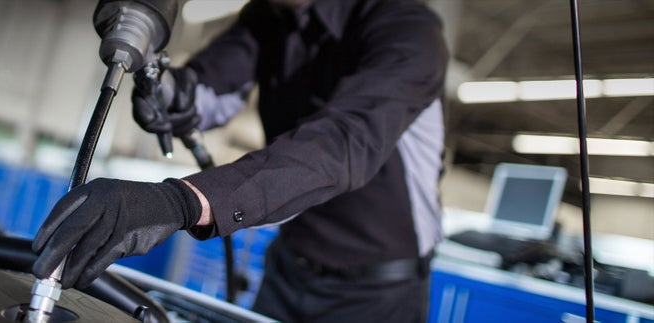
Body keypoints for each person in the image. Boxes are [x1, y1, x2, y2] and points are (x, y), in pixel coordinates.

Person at [32, 0, 448, 321]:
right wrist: (169, 89)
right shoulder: (269, 16)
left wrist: (183, 201)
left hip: (379, 293)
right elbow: (210, 86)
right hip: (288, 269)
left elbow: (343, 144)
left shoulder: (408, 29)